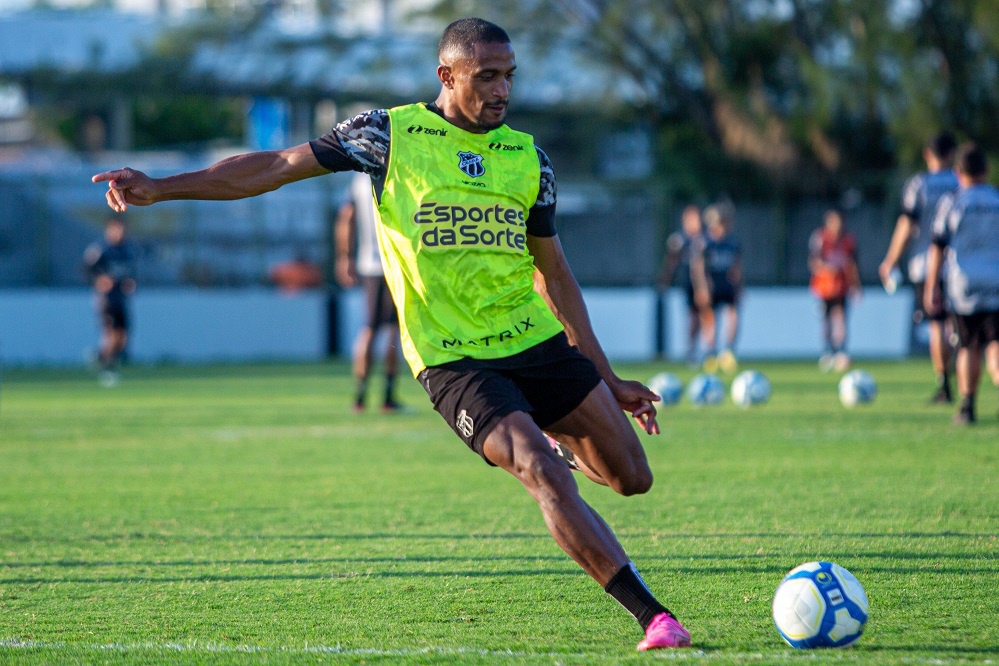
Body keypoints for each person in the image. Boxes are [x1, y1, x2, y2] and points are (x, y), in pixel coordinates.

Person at [92, 18, 690, 650]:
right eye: (487, 75)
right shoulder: (387, 135)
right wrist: (162, 187)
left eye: (509, 75)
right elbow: (272, 165)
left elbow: (557, 276)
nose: (502, 89)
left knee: (631, 478)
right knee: (540, 470)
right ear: (448, 75)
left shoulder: (527, 158)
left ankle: (556, 433)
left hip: (533, 339)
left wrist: (605, 374)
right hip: (452, 359)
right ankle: (654, 617)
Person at [880, 132, 959, 404]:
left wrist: (890, 259)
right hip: (961, 268)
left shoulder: (919, 185)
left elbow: (906, 225)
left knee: (936, 325)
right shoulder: (962, 183)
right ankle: (962, 364)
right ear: (952, 154)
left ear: (927, 154)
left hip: (926, 266)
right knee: (957, 324)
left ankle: (944, 384)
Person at [924, 143, 999, 425]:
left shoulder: (953, 202)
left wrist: (932, 284)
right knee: (995, 343)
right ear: (987, 170)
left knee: (968, 345)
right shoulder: (996, 199)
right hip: (996, 279)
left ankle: (968, 406)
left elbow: (937, 246)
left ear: (958, 172)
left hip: (963, 283)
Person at [335, 171, 404, 413]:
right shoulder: (399, 171)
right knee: (394, 329)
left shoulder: (359, 179)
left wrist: (344, 257)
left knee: (370, 328)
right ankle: (388, 396)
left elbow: (346, 217)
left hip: (369, 263)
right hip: (397, 262)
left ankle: (360, 396)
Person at [83, 217, 137, 387]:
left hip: (121, 298)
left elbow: (131, 272)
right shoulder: (101, 249)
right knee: (111, 334)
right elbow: (86, 269)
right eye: (117, 229)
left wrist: (131, 282)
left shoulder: (128, 250)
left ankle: (98, 356)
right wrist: (99, 280)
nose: (120, 233)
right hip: (106, 299)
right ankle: (108, 370)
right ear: (110, 230)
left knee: (123, 337)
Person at [691, 202, 742, 374]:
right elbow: (697, 267)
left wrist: (740, 286)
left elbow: (736, 266)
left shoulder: (732, 242)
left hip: (727, 286)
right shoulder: (704, 243)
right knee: (710, 321)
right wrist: (701, 288)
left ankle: (728, 351)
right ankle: (710, 353)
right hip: (711, 287)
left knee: (733, 316)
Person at [808, 209, 861, 372]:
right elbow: (813, 261)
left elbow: (852, 265)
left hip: (842, 287)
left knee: (842, 318)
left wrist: (856, 285)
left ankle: (841, 351)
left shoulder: (848, 240)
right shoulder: (820, 238)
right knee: (826, 319)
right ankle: (827, 351)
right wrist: (827, 269)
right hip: (824, 287)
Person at [656, 205, 703, 365]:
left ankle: (712, 352)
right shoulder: (679, 240)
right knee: (693, 317)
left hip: (705, 284)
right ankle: (692, 350)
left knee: (706, 317)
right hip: (689, 284)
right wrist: (665, 280)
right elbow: (671, 262)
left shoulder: (703, 239)